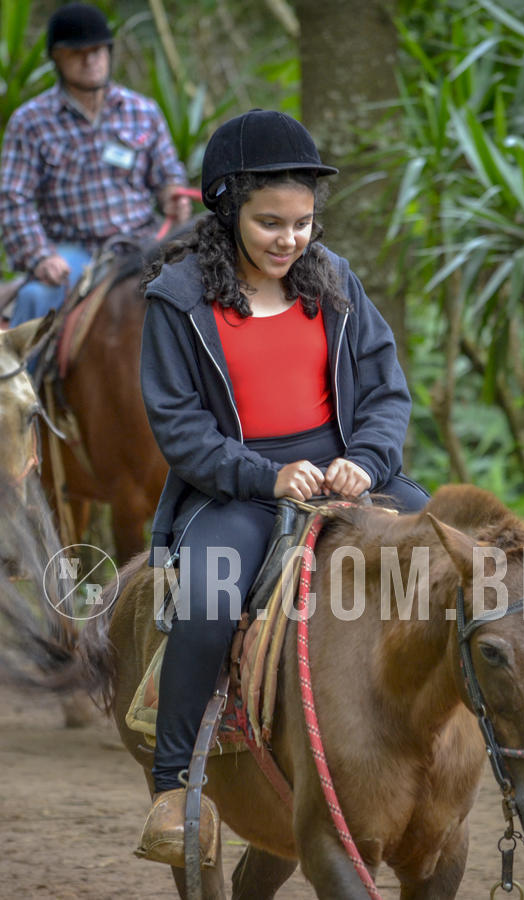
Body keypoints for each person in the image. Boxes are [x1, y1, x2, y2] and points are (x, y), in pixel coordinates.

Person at [137, 108, 430, 861]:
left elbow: (386, 389)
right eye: (269, 223)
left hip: (345, 472)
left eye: (302, 224)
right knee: (209, 599)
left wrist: (366, 459)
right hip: (235, 488)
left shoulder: (334, 281)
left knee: (448, 557)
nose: (289, 240)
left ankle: (483, 737)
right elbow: (179, 426)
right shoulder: (177, 300)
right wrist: (267, 475)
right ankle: (175, 786)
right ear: (227, 209)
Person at [0, 2, 190, 328]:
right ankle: (20, 364)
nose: (90, 61)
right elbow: (12, 198)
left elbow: (168, 176)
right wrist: (40, 256)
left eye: (98, 50)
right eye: (78, 53)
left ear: (109, 51)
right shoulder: (30, 122)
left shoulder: (143, 111)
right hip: (76, 254)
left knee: (206, 287)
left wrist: (173, 195)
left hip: (143, 243)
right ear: (56, 58)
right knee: (36, 298)